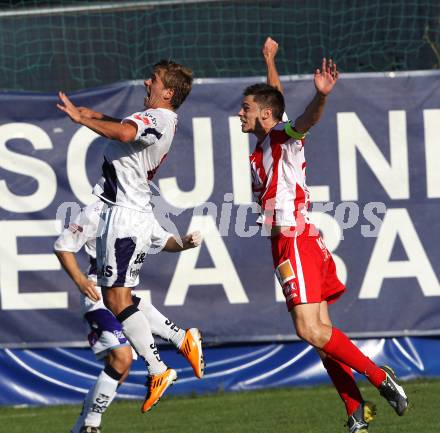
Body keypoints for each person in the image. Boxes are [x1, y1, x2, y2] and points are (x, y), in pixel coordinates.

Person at [239, 37, 408, 433]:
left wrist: (321, 97)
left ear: (264, 114)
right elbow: (276, 99)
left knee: (308, 329)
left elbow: (305, 119)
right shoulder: (267, 139)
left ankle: (381, 379)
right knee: (320, 333)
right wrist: (269, 60)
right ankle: (355, 413)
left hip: (294, 239)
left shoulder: (283, 137)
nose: (239, 113)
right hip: (294, 240)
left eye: (245, 108)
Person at [57, 59, 201, 413]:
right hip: (132, 211)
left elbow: (124, 133)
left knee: (117, 299)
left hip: (123, 214)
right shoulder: (162, 120)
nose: (146, 82)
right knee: (119, 297)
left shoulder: (158, 118)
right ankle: (176, 343)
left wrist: (83, 121)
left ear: (168, 92)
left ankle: (158, 368)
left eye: (153, 80)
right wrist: (99, 115)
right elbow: (127, 131)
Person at [54, 199, 204, 433]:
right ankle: (91, 425)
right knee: (122, 358)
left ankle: (81, 428)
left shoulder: (140, 209)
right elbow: (63, 246)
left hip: (122, 295)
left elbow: (163, 240)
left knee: (120, 369)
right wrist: (80, 280)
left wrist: (185, 243)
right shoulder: (96, 210)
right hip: (99, 294)